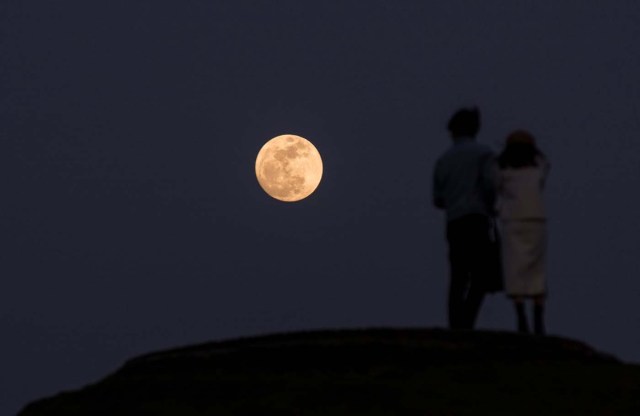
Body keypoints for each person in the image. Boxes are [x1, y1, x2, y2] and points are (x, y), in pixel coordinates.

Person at [433, 107, 502, 330]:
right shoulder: (484, 153)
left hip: (453, 222)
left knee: (458, 275)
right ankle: (468, 323)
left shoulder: (443, 160)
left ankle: (455, 325)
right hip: (477, 218)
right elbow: (491, 185)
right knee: (480, 275)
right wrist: (493, 207)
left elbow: (437, 199)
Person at [497, 130, 550, 335]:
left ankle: (521, 316)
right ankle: (539, 316)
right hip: (536, 219)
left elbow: (495, 186)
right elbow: (546, 164)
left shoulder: (504, 172)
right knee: (537, 269)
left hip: (512, 220)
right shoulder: (537, 171)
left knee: (514, 269)